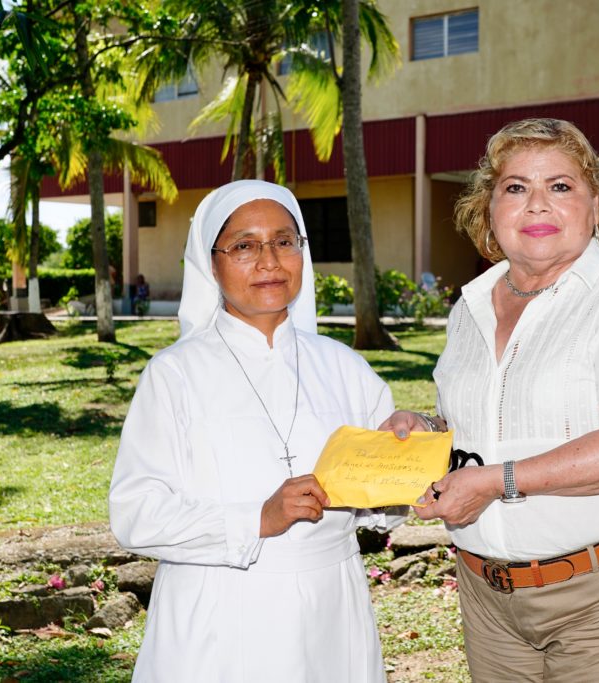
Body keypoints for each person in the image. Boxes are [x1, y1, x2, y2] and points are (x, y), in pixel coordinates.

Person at [381, 118, 599, 681]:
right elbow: (480, 428)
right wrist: (425, 430)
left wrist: (495, 481)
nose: (537, 205)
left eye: (561, 186)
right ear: (490, 209)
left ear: (594, 204)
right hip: (486, 600)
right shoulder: (471, 306)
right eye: (517, 187)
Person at [109, 180, 405, 682]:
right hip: (220, 613)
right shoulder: (174, 375)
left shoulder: (347, 368)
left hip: (331, 612)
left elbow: (387, 504)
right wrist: (256, 519)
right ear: (211, 262)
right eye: (244, 245)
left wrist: (403, 465)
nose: (269, 261)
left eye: (284, 241)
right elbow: (136, 515)